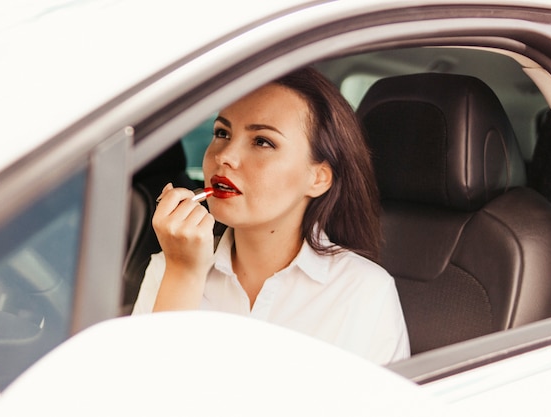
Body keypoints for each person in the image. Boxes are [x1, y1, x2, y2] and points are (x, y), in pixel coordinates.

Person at [133, 67, 410, 364]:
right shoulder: (169, 268)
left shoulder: (363, 292)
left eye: (262, 141)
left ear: (317, 178)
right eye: (222, 133)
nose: (224, 156)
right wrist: (183, 274)